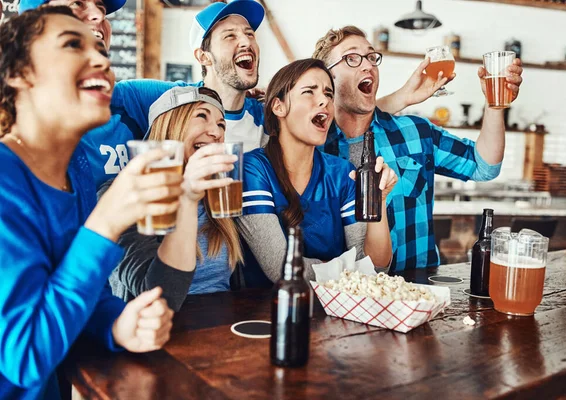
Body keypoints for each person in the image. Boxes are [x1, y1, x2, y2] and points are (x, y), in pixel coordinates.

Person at [20, 0, 450, 189]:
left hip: (251, 280)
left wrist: (401, 99)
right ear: (201, 55)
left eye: (249, 32)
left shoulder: (271, 111)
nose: (246, 40)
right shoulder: (164, 99)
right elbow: (92, 99)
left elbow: (333, 116)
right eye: (229, 35)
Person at [0, 7, 178, 398]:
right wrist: (107, 220)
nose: (100, 58)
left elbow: (85, 299)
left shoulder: (76, 170)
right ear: (18, 74)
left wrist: (117, 325)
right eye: (71, 45)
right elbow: (24, 355)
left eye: (100, 49)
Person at [312, 26, 524, 272]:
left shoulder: (414, 132)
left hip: (416, 291)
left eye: (371, 57)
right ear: (327, 78)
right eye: (351, 58)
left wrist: (493, 105)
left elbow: (484, 166)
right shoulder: (314, 148)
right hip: (340, 294)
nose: (367, 65)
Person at [237, 58, 398, 287]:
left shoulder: (343, 173)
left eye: (329, 94)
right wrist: (348, 268)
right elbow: (280, 268)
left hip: (332, 314)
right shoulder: (252, 170)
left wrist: (379, 200)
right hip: (263, 314)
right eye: (309, 92)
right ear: (279, 106)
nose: (324, 100)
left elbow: (375, 266)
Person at [108, 87, 243, 311]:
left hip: (223, 330)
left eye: (221, 125)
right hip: (156, 333)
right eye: (201, 116)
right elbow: (156, 298)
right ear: (170, 125)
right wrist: (187, 199)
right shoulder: (124, 193)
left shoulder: (220, 193)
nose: (216, 133)